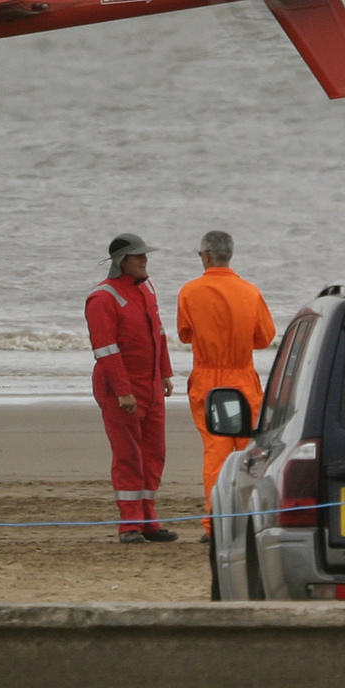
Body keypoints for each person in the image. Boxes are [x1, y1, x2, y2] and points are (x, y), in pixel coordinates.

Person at [177, 230, 275, 541]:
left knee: (216, 453)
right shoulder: (249, 291)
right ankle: (248, 521)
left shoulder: (190, 292)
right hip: (242, 377)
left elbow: (184, 333)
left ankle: (215, 525)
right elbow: (265, 337)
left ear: (205, 256)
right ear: (229, 255)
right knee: (248, 453)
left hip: (208, 379)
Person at [86, 233, 178, 543]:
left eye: (145, 255)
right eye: (138, 256)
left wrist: (164, 372)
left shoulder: (147, 288)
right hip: (121, 390)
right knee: (128, 455)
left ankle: (149, 520)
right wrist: (124, 391)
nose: (144, 260)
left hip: (151, 385)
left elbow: (159, 333)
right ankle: (130, 525)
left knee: (154, 453)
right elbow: (105, 349)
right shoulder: (102, 298)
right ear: (120, 261)